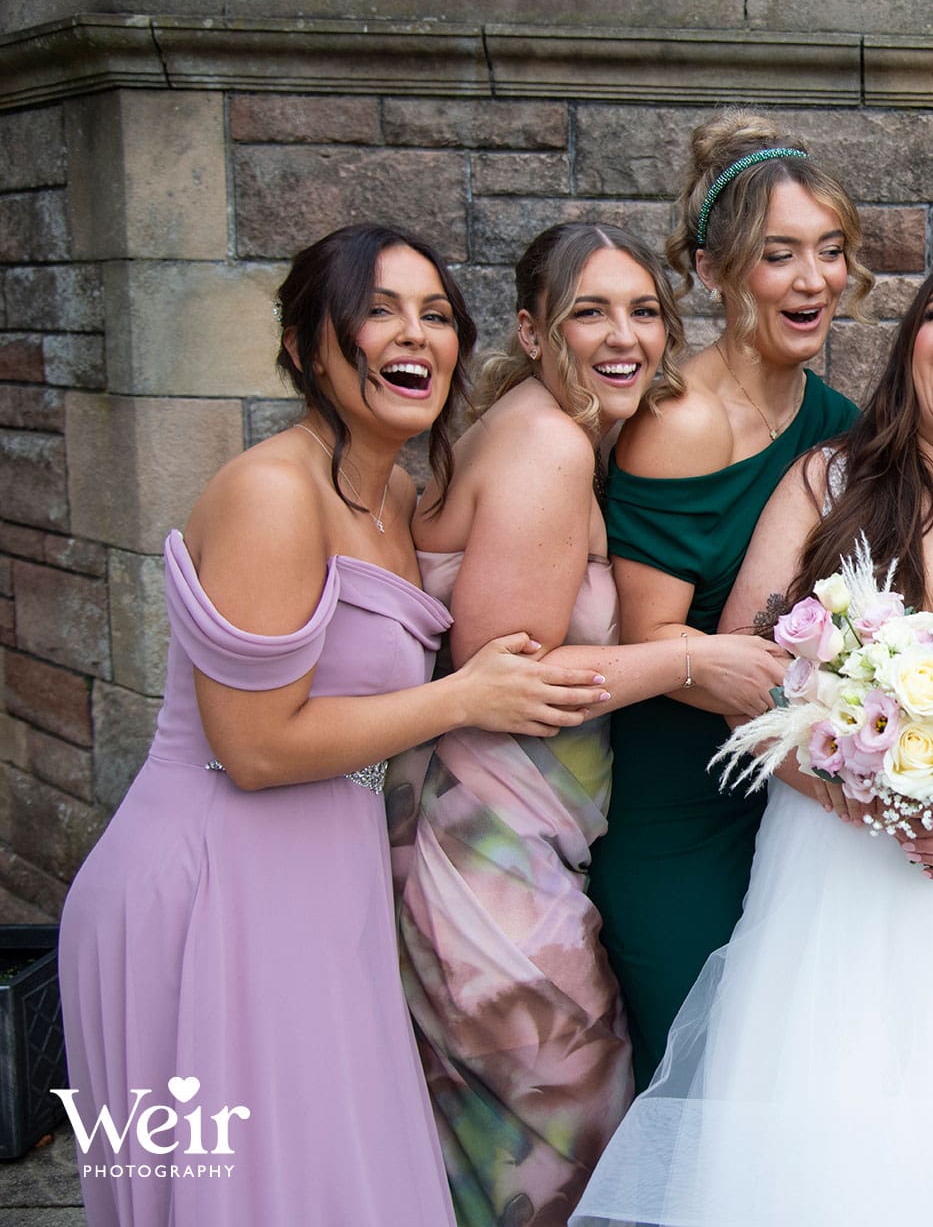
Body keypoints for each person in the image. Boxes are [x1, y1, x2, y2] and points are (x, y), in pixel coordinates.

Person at [572, 258, 933, 1227]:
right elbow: (753, 677)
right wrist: (844, 787)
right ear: (909, 346)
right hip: (829, 863)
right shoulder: (831, 477)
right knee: (813, 1126)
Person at [56, 224, 606, 1227]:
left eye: (436, 314)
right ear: (305, 346)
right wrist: (463, 696)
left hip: (326, 882)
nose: (416, 334)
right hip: (212, 889)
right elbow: (255, 747)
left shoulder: (395, 491)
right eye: (379, 311)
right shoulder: (272, 492)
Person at [385, 223, 792, 1226]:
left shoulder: (549, 430)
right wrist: (695, 657)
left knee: (516, 1144)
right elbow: (509, 678)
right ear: (532, 330)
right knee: (561, 1143)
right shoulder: (549, 444)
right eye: (589, 312)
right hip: (485, 854)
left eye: (644, 311)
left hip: (512, 842)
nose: (625, 336)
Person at [591, 112, 869, 1085]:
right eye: (779, 254)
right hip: (677, 813)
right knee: (695, 1084)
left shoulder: (840, 423)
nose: (814, 279)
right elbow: (651, 640)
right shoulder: (682, 422)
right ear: (712, 270)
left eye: (830, 250)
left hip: (793, 816)